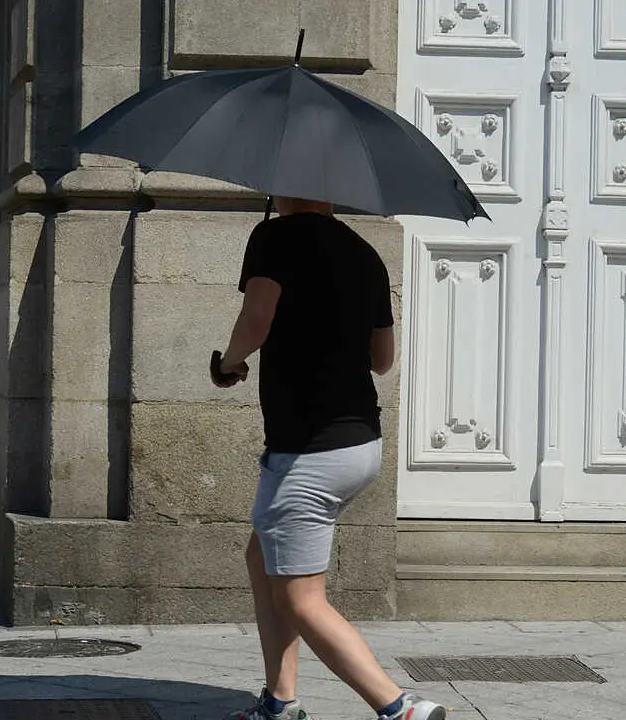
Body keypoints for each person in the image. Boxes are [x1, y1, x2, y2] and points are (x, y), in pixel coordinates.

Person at [213, 197, 446, 720]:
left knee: (300, 598)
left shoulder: (275, 238)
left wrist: (229, 363)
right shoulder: (365, 252)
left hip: (307, 452)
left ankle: (400, 708)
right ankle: (280, 702)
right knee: (263, 559)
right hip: (359, 445)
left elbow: (256, 318)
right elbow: (383, 361)